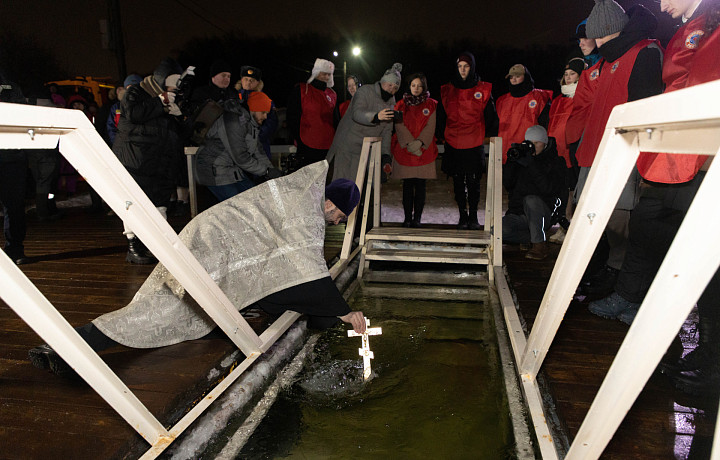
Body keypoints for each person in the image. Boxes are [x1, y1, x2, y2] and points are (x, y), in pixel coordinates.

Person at [27, 163, 367, 377]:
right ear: (331, 203)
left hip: (210, 238)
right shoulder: (308, 215)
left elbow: (285, 269)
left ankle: (69, 347)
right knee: (159, 312)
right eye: (340, 216)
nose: (337, 222)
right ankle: (68, 344)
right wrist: (344, 312)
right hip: (210, 250)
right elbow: (307, 273)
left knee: (170, 312)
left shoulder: (300, 197)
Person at [589, 0, 720, 396]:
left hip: (699, 155)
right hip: (672, 153)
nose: (661, 3)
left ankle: (711, 360)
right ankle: (653, 312)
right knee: (653, 233)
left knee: (707, 262)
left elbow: (702, 85)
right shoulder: (689, 25)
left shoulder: (704, 26)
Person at [575, 1, 664, 298]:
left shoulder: (644, 53)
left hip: (624, 155)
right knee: (599, 214)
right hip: (599, 151)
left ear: (613, 30)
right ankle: (607, 267)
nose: (596, 42)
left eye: (599, 36)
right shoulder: (611, 58)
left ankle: (619, 275)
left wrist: (640, 162)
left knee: (620, 217)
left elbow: (645, 109)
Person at [113, 58, 185, 265]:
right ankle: (133, 246)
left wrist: (180, 116)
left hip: (159, 161)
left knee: (159, 202)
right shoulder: (136, 92)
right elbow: (134, 114)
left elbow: (177, 131)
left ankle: (159, 246)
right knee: (134, 203)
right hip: (136, 159)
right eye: (173, 81)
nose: (176, 86)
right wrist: (160, 101)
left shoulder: (171, 98)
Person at [437, 52, 497, 230]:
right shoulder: (447, 90)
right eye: (460, 66)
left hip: (474, 141)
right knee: (457, 180)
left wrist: (490, 136)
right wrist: (440, 136)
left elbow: (491, 116)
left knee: (473, 181)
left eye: (466, 66)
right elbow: (441, 116)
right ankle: (462, 215)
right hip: (453, 142)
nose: (463, 70)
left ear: (472, 67)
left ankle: (473, 217)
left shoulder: (483, 89)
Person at [195, 91, 281, 202]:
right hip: (214, 171)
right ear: (254, 109)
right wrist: (267, 171)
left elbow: (259, 152)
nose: (265, 117)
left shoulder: (252, 124)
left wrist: (272, 171)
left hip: (232, 170)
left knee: (256, 201)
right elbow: (241, 157)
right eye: (263, 112)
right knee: (241, 207)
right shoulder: (234, 121)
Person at [327, 63, 402, 182]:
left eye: (395, 88)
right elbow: (357, 114)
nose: (391, 89)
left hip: (365, 149)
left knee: (356, 186)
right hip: (348, 145)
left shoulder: (391, 104)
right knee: (341, 183)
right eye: (390, 85)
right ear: (383, 82)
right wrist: (376, 116)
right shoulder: (365, 91)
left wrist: (386, 155)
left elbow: (387, 132)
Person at [502, 126, 567, 260]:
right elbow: (508, 184)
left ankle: (539, 246)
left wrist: (531, 165)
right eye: (530, 142)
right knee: (496, 232)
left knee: (531, 200)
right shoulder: (522, 159)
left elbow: (548, 189)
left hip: (543, 214)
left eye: (537, 143)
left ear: (545, 143)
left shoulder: (555, 161)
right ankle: (532, 237)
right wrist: (511, 162)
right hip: (519, 214)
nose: (533, 146)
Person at [390, 73, 438, 228]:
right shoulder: (400, 105)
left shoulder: (431, 104)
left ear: (424, 87)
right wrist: (410, 144)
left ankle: (417, 218)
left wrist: (420, 143)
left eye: (419, 85)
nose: (416, 88)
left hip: (424, 151)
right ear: (409, 86)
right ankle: (407, 218)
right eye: (413, 85)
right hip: (406, 152)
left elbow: (431, 126)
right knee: (407, 186)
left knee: (421, 186)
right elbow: (399, 126)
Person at [547, 57, 586, 243]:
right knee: (561, 191)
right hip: (557, 151)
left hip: (572, 150)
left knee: (572, 191)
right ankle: (563, 225)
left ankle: (571, 227)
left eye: (573, 74)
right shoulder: (558, 100)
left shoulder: (581, 97)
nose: (569, 78)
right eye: (566, 74)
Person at [0, 70, 30, 265]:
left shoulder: (10, 86)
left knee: (15, 205)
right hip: (13, 155)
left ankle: (15, 248)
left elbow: (24, 114)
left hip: (11, 155)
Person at [286, 58, 338, 170]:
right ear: (316, 72)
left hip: (328, 144)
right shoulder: (302, 89)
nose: (326, 77)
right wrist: (298, 140)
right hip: (307, 143)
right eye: (324, 74)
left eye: (329, 75)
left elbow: (335, 120)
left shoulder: (332, 94)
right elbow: (292, 116)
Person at [496, 64, 552, 164]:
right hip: (507, 153)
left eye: (517, 76)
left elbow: (546, 125)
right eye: (511, 77)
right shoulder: (502, 101)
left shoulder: (539, 97)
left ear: (525, 77)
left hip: (530, 152)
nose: (514, 80)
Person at [238, 65, 279, 161]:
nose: (248, 82)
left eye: (252, 80)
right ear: (241, 80)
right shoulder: (234, 98)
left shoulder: (265, 100)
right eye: (246, 79)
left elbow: (271, 122)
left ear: (258, 83)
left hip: (260, 148)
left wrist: (257, 137)